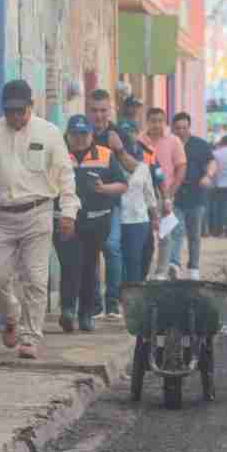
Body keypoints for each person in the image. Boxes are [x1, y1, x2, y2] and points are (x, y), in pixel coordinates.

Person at [0, 80, 79, 359]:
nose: (15, 116)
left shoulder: (49, 133)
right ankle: (12, 314)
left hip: (38, 213)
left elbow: (65, 174)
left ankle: (30, 337)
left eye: (21, 111)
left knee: (35, 278)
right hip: (0, 216)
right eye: (10, 111)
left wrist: (68, 212)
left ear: (31, 106)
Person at [56, 115, 128, 333]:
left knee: (89, 266)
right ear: (67, 135)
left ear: (91, 135)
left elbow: (122, 185)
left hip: (96, 222)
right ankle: (68, 310)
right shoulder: (57, 153)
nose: (79, 138)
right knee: (69, 263)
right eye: (74, 134)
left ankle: (86, 314)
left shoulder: (105, 155)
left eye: (83, 134)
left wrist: (104, 189)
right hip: (66, 220)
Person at [87, 88, 139, 319]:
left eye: (103, 110)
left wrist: (119, 149)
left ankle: (112, 303)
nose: (99, 115)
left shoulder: (120, 134)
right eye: (94, 110)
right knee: (89, 252)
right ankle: (94, 305)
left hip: (112, 202)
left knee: (111, 248)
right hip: (85, 204)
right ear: (88, 111)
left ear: (110, 111)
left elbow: (135, 168)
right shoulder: (79, 132)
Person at [171, 112, 216, 280]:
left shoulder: (200, 144)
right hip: (175, 195)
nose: (181, 131)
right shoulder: (169, 144)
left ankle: (194, 268)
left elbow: (212, 161)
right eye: (178, 128)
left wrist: (208, 176)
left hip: (196, 195)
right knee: (176, 231)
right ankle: (174, 264)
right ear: (173, 128)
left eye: (184, 128)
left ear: (189, 127)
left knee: (194, 235)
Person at [144, 107, 187, 276]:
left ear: (165, 122)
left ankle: (161, 273)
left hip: (165, 195)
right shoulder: (140, 140)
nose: (157, 124)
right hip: (142, 197)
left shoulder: (173, 141)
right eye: (153, 121)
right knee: (145, 235)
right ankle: (145, 271)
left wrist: (170, 193)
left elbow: (181, 168)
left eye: (160, 121)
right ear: (147, 122)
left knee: (165, 235)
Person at [117, 120, 160, 284]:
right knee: (126, 261)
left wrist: (155, 217)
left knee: (143, 256)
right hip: (119, 219)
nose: (128, 137)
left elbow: (150, 194)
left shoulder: (144, 162)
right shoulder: (111, 162)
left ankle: (137, 287)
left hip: (140, 220)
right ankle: (126, 291)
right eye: (124, 134)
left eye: (131, 132)